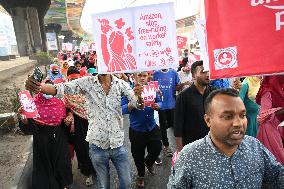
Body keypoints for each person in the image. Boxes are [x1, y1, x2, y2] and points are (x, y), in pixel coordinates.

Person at [25, 71, 144, 189]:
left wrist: (139, 97)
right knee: (103, 185)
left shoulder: (121, 84)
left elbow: (138, 105)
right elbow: (61, 88)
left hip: (118, 145)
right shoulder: (87, 82)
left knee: (127, 183)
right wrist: (39, 86)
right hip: (97, 147)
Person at [168, 88, 284, 188]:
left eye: (242, 115)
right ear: (208, 120)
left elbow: (278, 176)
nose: (238, 123)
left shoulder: (255, 146)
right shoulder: (189, 156)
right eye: (228, 116)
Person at [18, 80, 73, 189]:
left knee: (62, 164)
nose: (47, 94)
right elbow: (28, 128)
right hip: (42, 140)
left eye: (49, 90)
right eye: (44, 91)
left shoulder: (60, 102)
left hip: (60, 139)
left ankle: (64, 185)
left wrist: (68, 120)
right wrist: (25, 120)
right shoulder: (32, 104)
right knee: (44, 168)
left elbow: (68, 117)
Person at [121, 72, 162, 188]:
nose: (142, 78)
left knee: (157, 148)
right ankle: (141, 175)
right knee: (137, 155)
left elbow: (159, 101)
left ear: (147, 77)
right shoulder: (129, 91)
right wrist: (133, 101)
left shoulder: (152, 88)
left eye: (144, 75)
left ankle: (148, 163)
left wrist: (158, 105)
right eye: (140, 75)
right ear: (134, 77)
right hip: (137, 130)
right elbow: (122, 109)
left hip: (152, 127)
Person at [64, 66, 95, 186]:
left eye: (76, 79)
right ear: (68, 80)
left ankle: (98, 168)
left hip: (92, 122)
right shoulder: (65, 93)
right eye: (71, 80)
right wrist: (69, 114)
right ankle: (88, 174)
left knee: (96, 147)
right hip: (77, 125)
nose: (74, 83)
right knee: (82, 150)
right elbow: (64, 109)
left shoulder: (86, 89)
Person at [174, 61, 215, 152]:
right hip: (192, 146)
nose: (207, 74)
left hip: (213, 144)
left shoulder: (214, 93)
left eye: (208, 71)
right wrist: (180, 152)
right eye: (203, 72)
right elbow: (178, 126)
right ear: (193, 76)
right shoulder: (183, 96)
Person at [153, 68, 182, 158]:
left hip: (171, 104)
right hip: (160, 105)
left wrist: (182, 85)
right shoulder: (156, 74)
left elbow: (177, 86)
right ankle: (166, 146)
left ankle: (158, 131)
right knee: (163, 125)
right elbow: (153, 88)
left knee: (171, 124)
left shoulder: (173, 72)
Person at [255, 75, 284, 164]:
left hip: (279, 127)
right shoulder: (267, 91)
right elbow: (263, 116)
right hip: (270, 130)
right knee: (276, 159)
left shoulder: (280, 89)